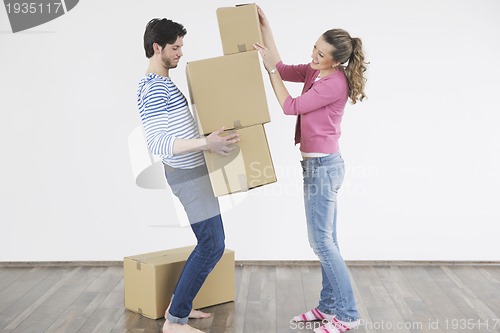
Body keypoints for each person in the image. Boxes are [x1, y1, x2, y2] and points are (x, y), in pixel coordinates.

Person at [254, 7, 368, 333]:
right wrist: (266, 28)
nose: (314, 56)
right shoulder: (316, 72)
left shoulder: (334, 84)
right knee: (327, 240)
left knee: (321, 243)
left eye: (321, 54)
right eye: (314, 49)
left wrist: (269, 73)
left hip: (323, 167)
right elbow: (281, 66)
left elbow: (290, 107)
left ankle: (346, 315)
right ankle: (328, 307)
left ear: (336, 60)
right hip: (317, 165)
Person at [136, 18, 239, 333]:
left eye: (181, 46)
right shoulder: (154, 88)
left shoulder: (165, 82)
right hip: (187, 176)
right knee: (212, 244)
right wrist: (206, 142)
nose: (180, 53)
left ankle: (178, 304)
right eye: (175, 47)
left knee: (211, 242)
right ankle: (175, 320)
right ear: (157, 48)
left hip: (195, 172)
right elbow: (158, 142)